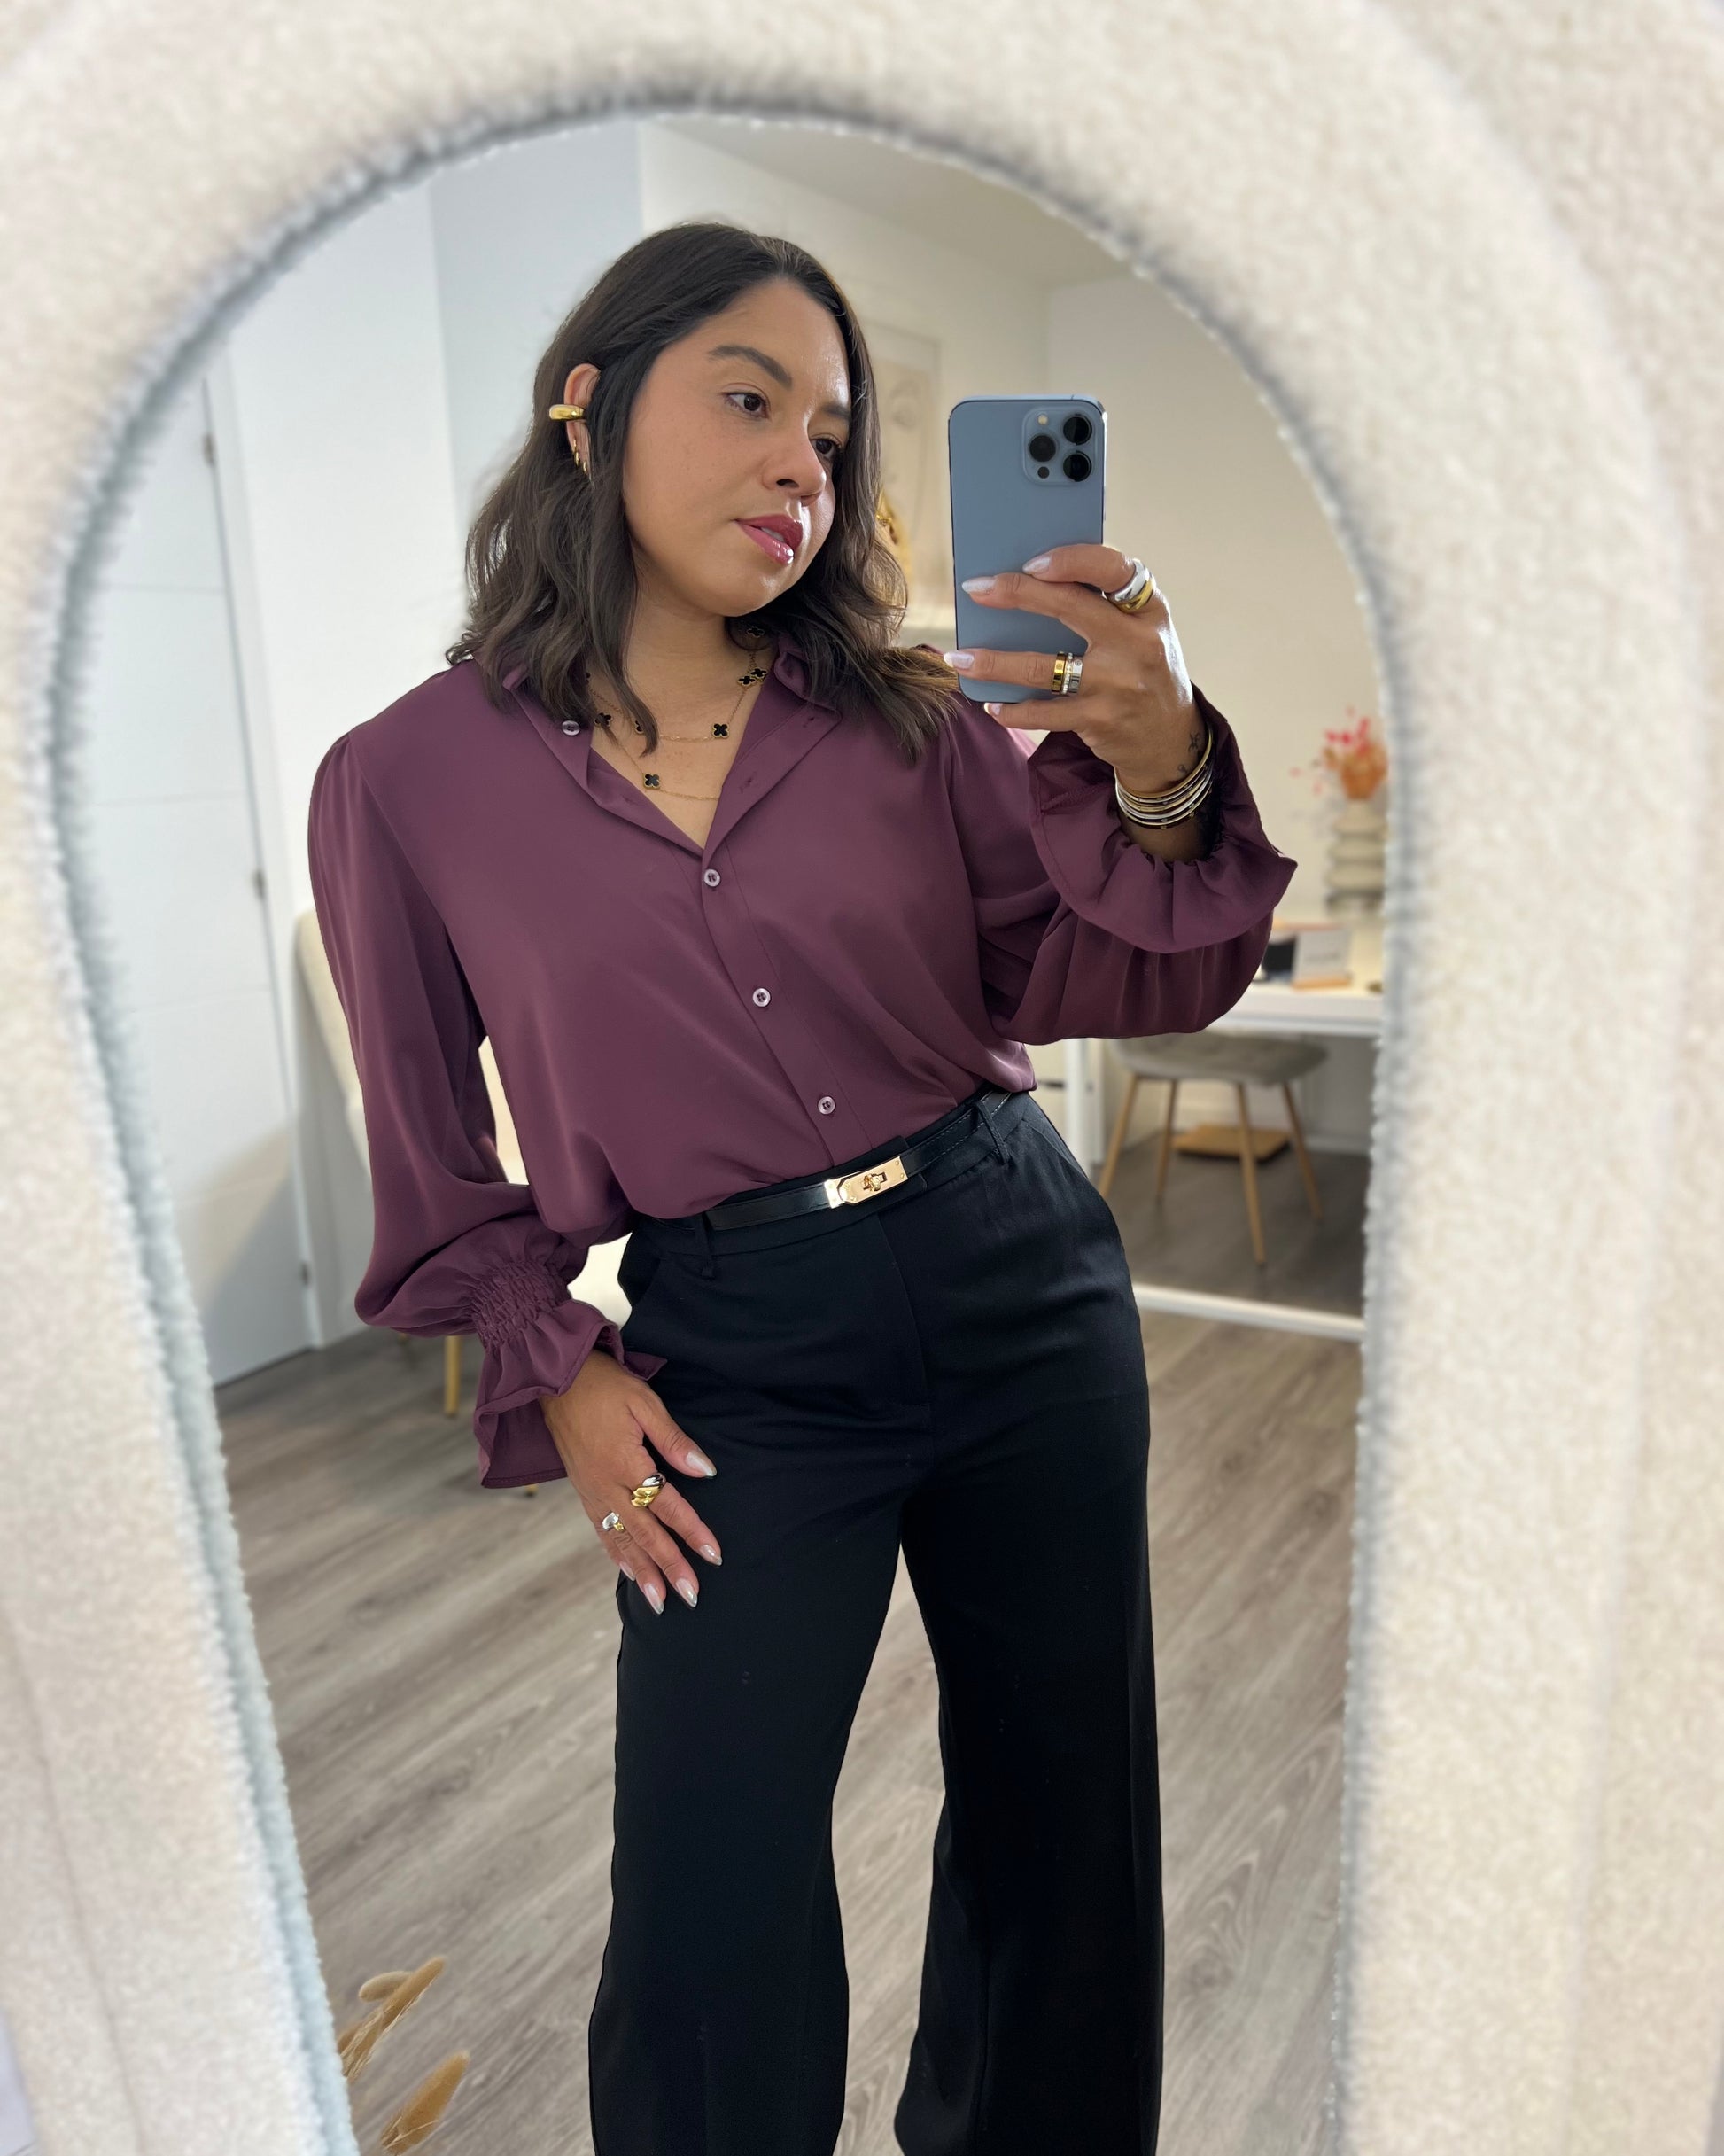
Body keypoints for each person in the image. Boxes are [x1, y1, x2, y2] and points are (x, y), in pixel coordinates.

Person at [307, 220, 1297, 2156]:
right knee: (708, 1863)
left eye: (831, 437)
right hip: (735, 1345)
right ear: (587, 408)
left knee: (1058, 1812)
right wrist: (558, 1368)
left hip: (1017, 1274)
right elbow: (430, 1150)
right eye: (749, 401)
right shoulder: (404, 781)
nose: (797, 469)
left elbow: (1128, 969)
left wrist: (1162, 765)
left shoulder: (916, 720)